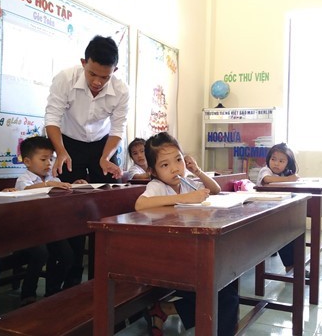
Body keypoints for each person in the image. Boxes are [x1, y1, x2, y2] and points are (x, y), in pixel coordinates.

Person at [45, 35, 129, 287]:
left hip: (102, 147)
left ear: (114, 70)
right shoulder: (65, 78)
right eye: (93, 74)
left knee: (104, 212)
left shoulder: (121, 90)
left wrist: (105, 157)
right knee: (68, 211)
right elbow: (52, 118)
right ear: (84, 62)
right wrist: (60, 151)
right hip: (67, 144)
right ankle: (62, 286)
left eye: (105, 77)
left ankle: (100, 282)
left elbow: (118, 128)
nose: (97, 82)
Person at [135, 132, 237, 336]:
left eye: (178, 160)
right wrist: (185, 198)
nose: (175, 168)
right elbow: (140, 204)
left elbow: (215, 189)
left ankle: (166, 309)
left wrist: (197, 171)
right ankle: (169, 310)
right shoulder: (157, 186)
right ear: (153, 171)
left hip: (188, 256)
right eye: (165, 165)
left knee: (228, 282)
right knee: (224, 292)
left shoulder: (186, 181)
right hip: (167, 261)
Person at [15, 136, 85, 298]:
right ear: (27, 161)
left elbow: (62, 195)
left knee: (67, 256)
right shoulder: (23, 179)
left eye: (51, 159)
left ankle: (52, 290)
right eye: (43, 159)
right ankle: (28, 294)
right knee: (40, 254)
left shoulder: (53, 179)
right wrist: (47, 185)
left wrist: (74, 185)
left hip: (50, 228)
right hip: (30, 230)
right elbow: (26, 190)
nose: (49, 163)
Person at [257, 142, 308, 277]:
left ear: (288, 163)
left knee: (294, 232)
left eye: (281, 161)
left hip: (275, 213)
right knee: (283, 235)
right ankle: (291, 266)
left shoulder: (284, 174)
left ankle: (296, 265)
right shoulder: (266, 170)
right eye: (273, 159)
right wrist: (289, 178)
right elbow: (267, 180)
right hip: (260, 214)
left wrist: (291, 178)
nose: (276, 164)